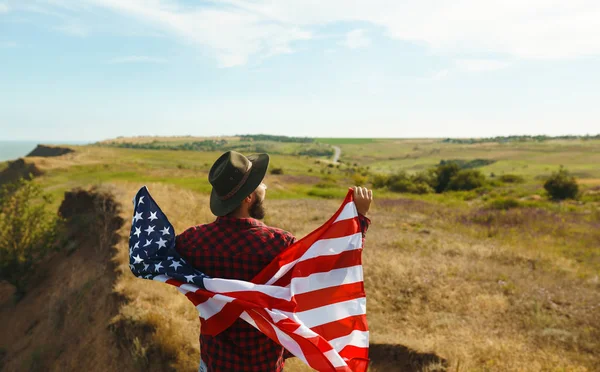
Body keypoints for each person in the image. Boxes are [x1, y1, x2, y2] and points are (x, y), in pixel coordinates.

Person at [175, 150, 373, 372]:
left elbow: (159, 256)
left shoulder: (193, 241)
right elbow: (331, 270)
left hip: (216, 363)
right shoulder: (281, 244)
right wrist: (359, 219)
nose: (265, 187)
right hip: (265, 365)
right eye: (259, 184)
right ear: (248, 197)